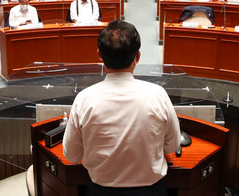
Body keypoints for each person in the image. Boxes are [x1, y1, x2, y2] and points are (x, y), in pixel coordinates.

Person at [63, 20, 181, 195]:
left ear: (99, 55)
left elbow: (71, 155)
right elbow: (172, 146)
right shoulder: (158, 95)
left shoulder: (84, 99)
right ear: (138, 56)